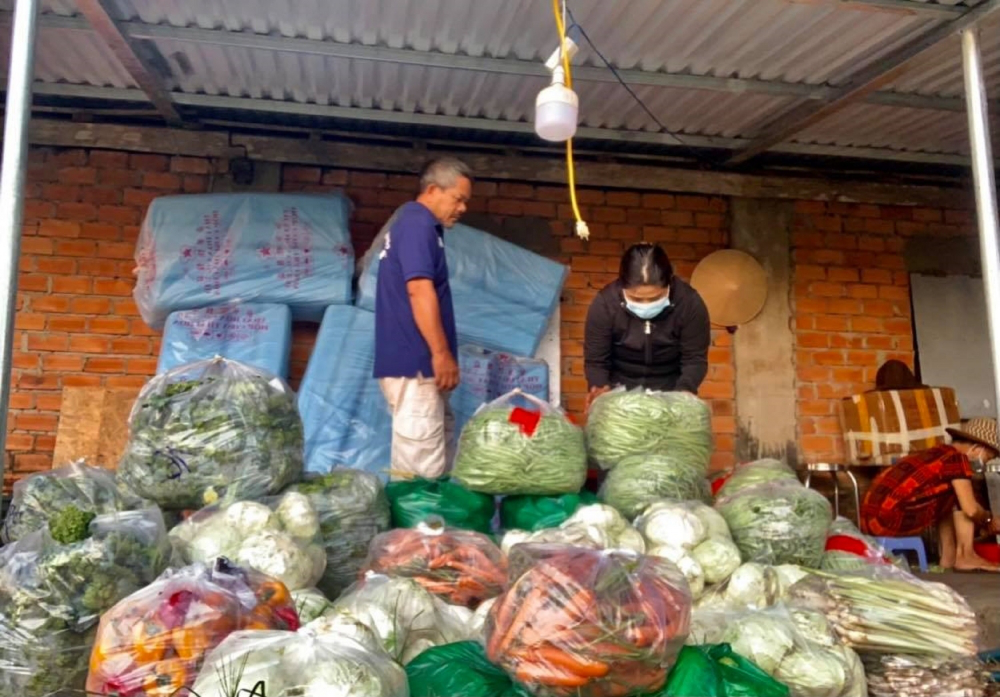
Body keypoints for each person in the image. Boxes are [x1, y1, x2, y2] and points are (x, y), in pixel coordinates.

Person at [372, 157, 472, 479]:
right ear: (433, 190)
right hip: (416, 366)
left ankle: (434, 529)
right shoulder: (417, 223)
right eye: (459, 199)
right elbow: (418, 290)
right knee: (420, 472)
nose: (463, 208)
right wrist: (441, 353)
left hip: (416, 366)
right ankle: (416, 531)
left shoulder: (420, 226)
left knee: (435, 460)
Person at [861, 417, 1000, 572]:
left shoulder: (937, 453)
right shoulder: (957, 459)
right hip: (888, 519)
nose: (986, 463)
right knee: (960, 493)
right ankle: (965, 555)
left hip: (870, 519)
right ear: (976, 448)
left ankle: (948, 556)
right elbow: (971, 509)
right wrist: (988, 520)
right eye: (988, 457)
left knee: (949, 492)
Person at [584, 243, 711, 408]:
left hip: (672, 392)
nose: (645, 304)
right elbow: (596, 361)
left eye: (655, 298)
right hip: (619, 393)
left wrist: (685, 391)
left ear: (669, 285)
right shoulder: (605, 304)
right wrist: (601, 389)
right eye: (636, 299)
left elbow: (694, 359)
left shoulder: (689, 303)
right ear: (623, 287)